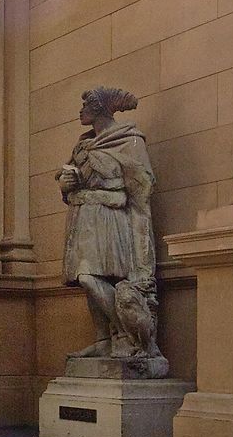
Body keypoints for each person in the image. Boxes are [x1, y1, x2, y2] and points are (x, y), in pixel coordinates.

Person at [56, 86, 167, 376]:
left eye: (86, 106)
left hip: (110, 217)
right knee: (86, 278)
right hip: (83, 215)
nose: (81, 111)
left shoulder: (128, 139)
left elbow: (143, 183)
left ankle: (127, 335)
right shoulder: (83, 144)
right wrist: (66, 186)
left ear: (101, 109)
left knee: (91, 276)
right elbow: (70, 179)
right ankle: (103, 340)